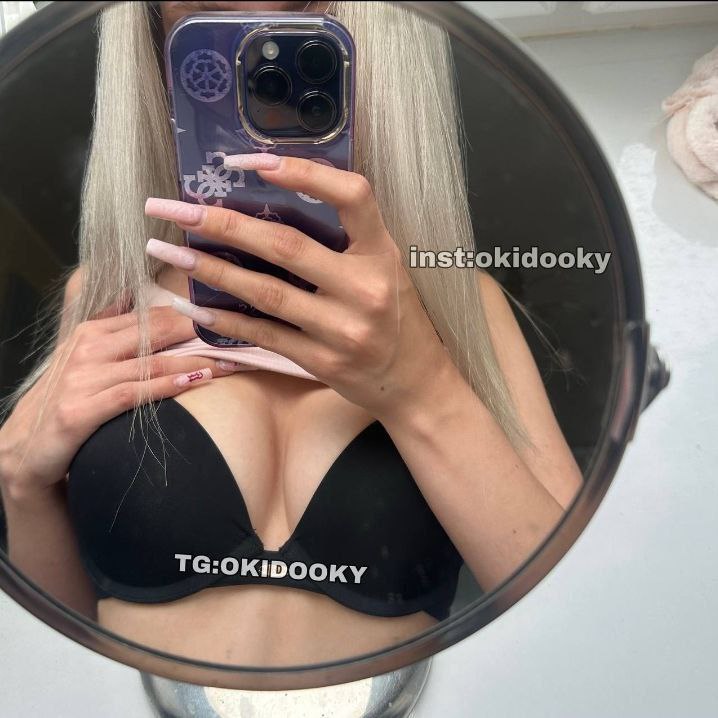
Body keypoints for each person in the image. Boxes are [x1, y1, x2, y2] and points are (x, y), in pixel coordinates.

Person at [0, 1, 582, 666]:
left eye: (306, 10)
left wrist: (422, 390)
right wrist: (19, 482)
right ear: (155, 44)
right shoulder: (106, 296)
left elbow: (581, 614)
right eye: (213, 15)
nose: (263, 62)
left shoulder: (462, 306)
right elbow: (64, 654)